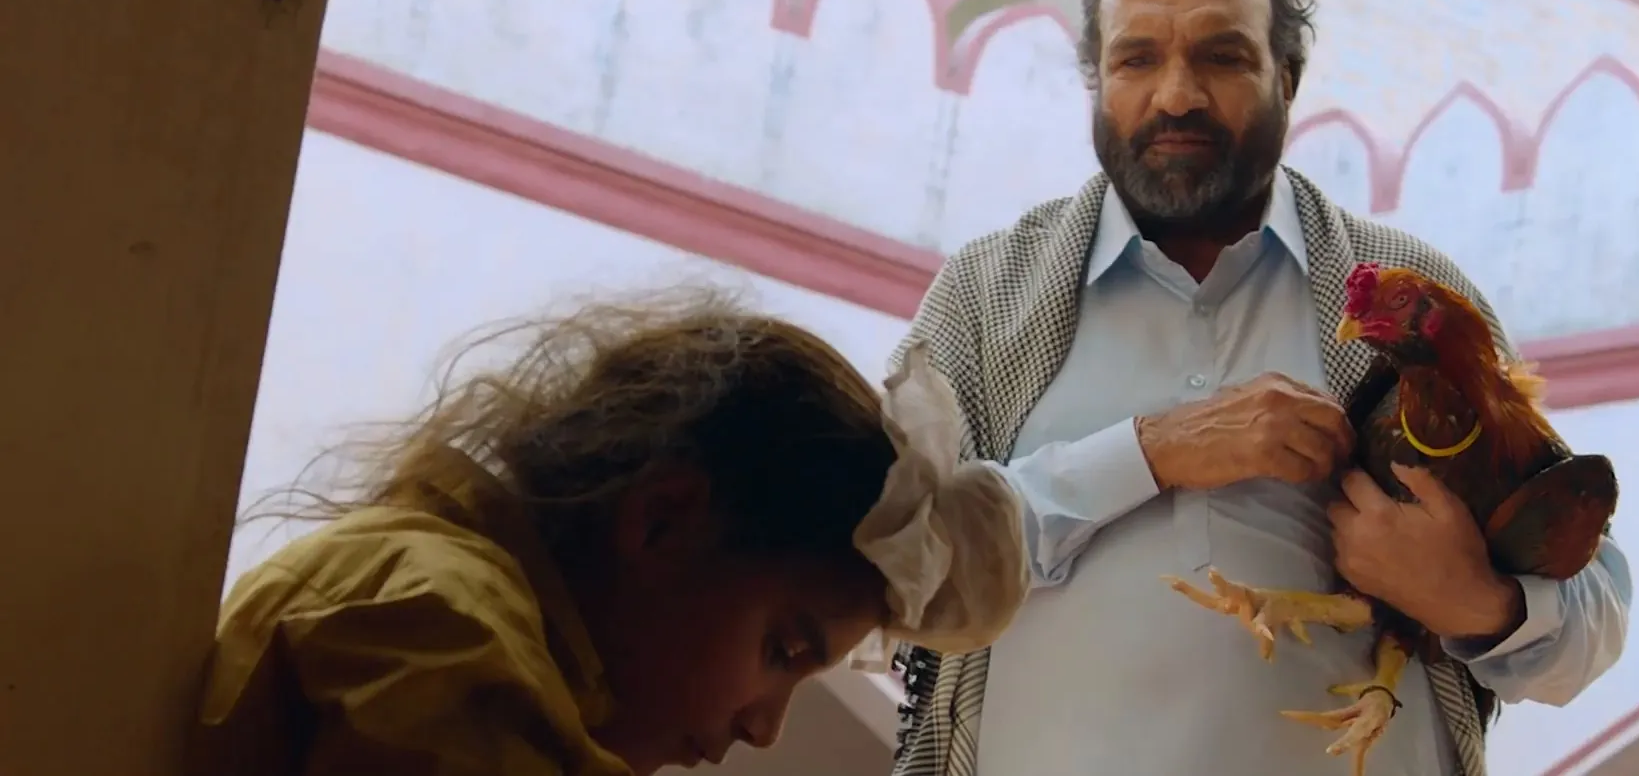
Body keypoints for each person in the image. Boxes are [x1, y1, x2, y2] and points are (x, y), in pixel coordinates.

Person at [886, 0, 1633, 774]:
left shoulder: (1409, 299)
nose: (1177, 96)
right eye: (1137, 59)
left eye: (1222, 56)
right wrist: (1152, 451)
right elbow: (887, 560)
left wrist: (1477, 602)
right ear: (1097, 80)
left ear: (1286, 78)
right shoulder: (986, 295)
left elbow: (1593, 621)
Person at [188, 291, 1029, 775]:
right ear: (662, 521)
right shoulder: (448, 637)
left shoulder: (452, 611)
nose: (764, 728)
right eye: (782, 651)